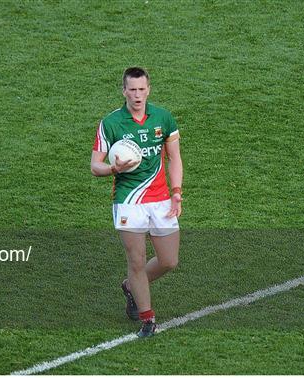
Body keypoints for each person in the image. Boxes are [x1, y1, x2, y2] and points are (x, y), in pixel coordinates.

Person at [90, 67, 183, 337]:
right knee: (137, 261)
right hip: (128, 201)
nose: (137, 95)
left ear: (148, 90)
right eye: (132, 89)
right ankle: (147, 319)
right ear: (124, 91)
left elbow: (174, 158)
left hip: (161, 200)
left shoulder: (163, 118)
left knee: (169, 260)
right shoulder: (111, 123)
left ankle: (131, 286)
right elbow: (95, 165)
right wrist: (113, 170)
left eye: (142, 89)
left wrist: (176, 192)